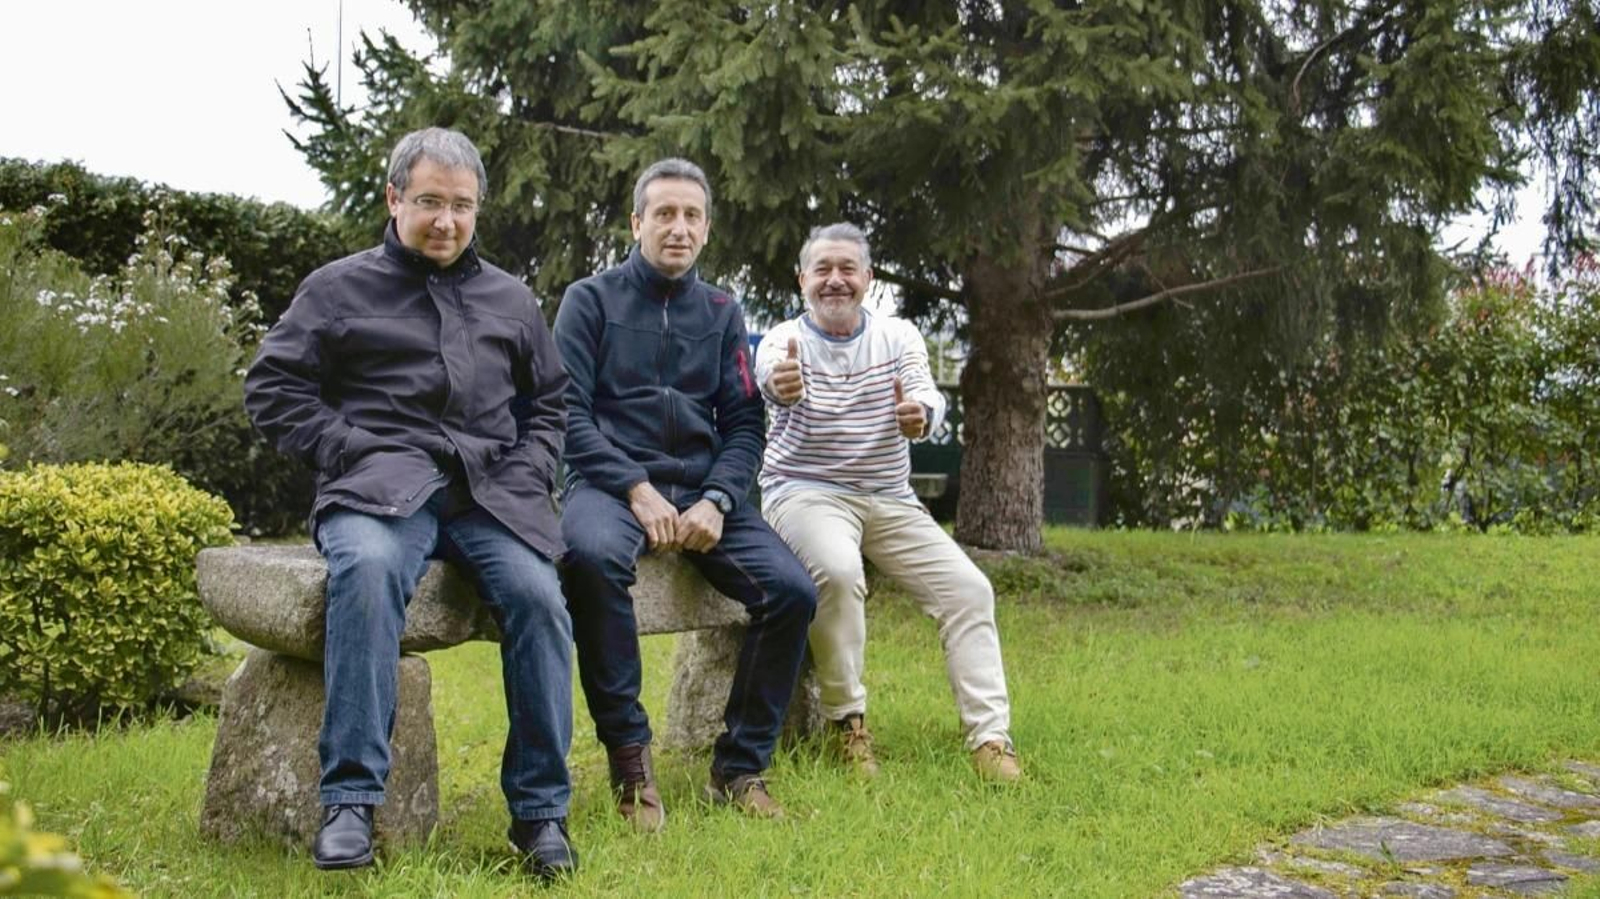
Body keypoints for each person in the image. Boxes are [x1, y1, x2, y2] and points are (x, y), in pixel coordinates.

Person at [244, 127, 578, 877]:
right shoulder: (336, 289)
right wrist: (348, 445)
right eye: (429, 201)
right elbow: (271, 388)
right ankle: (351, 804)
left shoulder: (511, 298)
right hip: (378, 486)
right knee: (363, 574)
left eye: (462, 206)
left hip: (489, 493)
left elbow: (550, 401)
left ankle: (540, 814)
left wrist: (528, 468)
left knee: (540, 599)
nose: (446, 221)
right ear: (394, 198)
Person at [553, 158, 817, 828]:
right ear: (637, 221)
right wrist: (635, 486)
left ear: (706, 228)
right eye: (664, 214)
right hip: (610, 486)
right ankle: (630, 760)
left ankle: (739, 767)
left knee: (791, 591)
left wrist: (720, 500)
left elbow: (743, 421)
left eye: (691, 215)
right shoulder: (591, 300)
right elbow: (565, 414)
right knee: (587, 556)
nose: (678, 227)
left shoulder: (724, 310)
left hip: (702, 490)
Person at [753, 222, 1023, 783]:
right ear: (802, 279)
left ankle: (991, 740)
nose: (834, 280)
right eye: (822, 270)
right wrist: (783, 385)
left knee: (970, 590)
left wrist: (920, 417)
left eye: (847, 269)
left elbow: (924, 395)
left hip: (888, 497)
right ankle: (847, 723)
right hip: (804, 491)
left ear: (868, 279)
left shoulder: (898, 336)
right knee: (837, 570)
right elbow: (770, 375)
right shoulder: (784, 340)